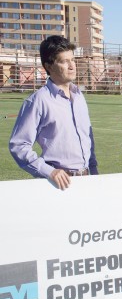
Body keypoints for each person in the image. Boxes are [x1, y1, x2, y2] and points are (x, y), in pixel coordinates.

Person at [9, 35, 98, 190]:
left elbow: (87, 139)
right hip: (58, 186)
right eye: (64, 61)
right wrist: (49, 171)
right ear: (48, 66)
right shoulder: (38, 101)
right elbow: (18, 145)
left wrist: (95, 172)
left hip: (87, 180)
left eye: (73, 60)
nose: (72, 66)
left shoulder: (79, 97)